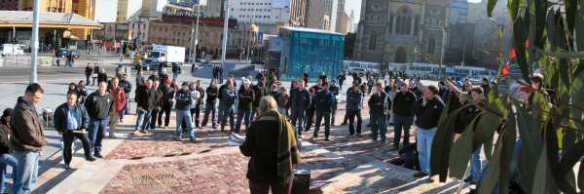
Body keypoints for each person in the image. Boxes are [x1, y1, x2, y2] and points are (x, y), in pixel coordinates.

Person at [240, 96, 301, 194]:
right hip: (281, 169)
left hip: (259, 170)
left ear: (261, 108)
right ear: (275, 107)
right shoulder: (287, 125)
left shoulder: (255, 126)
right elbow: (296, 147)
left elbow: (247, 151)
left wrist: (241, 145)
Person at [11, 83, 48, 194]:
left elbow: (37, 127)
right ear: (28, 94)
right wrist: (44, 142)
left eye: (40, 98)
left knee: (30, 181)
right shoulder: (21, 111)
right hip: (25, 151)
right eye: (36, 97)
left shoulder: (30, 107)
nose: (38, 101)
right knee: (23, 184)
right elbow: (30, 135)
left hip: (33, 150)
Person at [53, 92, 96, 169]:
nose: (70, 100)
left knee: (86, 140)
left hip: (78, 129)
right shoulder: (61, 109)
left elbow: (86, 118)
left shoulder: (80, 107)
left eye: (72, 98)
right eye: (68, 98)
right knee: (67, 147)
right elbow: (56, 120)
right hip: (67, 130)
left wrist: (84, 127)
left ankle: (88, 155)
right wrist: (59, 129)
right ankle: (67, 162)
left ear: (76, 99)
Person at [414, 84, 445, 177]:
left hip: (432, 131)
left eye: (428, 92)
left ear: (434, 94)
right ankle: (424, 170)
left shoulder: (439, 103)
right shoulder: (422, 100)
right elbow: (415, 111)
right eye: (425, 92)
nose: (425, 94)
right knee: (421, 151)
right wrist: (422, 104)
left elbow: (443, 118)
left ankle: (431, 173)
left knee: (430, 153)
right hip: (421, 130)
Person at [84, 81, 113, 158]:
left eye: (103, 86)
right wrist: (90, 115)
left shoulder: (109, 96)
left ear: (106, 87)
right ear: (98, 87)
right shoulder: (92, 96)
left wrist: (108, 115)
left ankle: (97, 151)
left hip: (104, 120)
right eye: (100, 86)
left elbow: (112, 106)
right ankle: (89, 152)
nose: (102, 88)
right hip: (94, 120)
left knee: (101, 136)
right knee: (92, 137)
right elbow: (86, 106)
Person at [392, 82, 417, 150]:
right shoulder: (398, 94)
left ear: (407, 88)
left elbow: (415, 106)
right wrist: (394, 112)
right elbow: (394, 103)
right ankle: (396, 145)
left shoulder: (411, 95)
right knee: (397, 131)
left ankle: (405, 145)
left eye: (405, 87)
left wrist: (412, 115)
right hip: (398, 116)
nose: (403, 88)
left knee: (406, 132)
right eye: (402, 87)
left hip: (407, 117)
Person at [0, 109, 17, 194]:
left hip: (6, 152)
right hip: (2, 154)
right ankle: (16, 188)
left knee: (2, 173)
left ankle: (1, 190)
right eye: (11, 117)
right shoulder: (1, 126)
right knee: (18, 164)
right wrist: (13, 149)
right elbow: (3, 142)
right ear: (7, 117)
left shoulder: (9, 125)